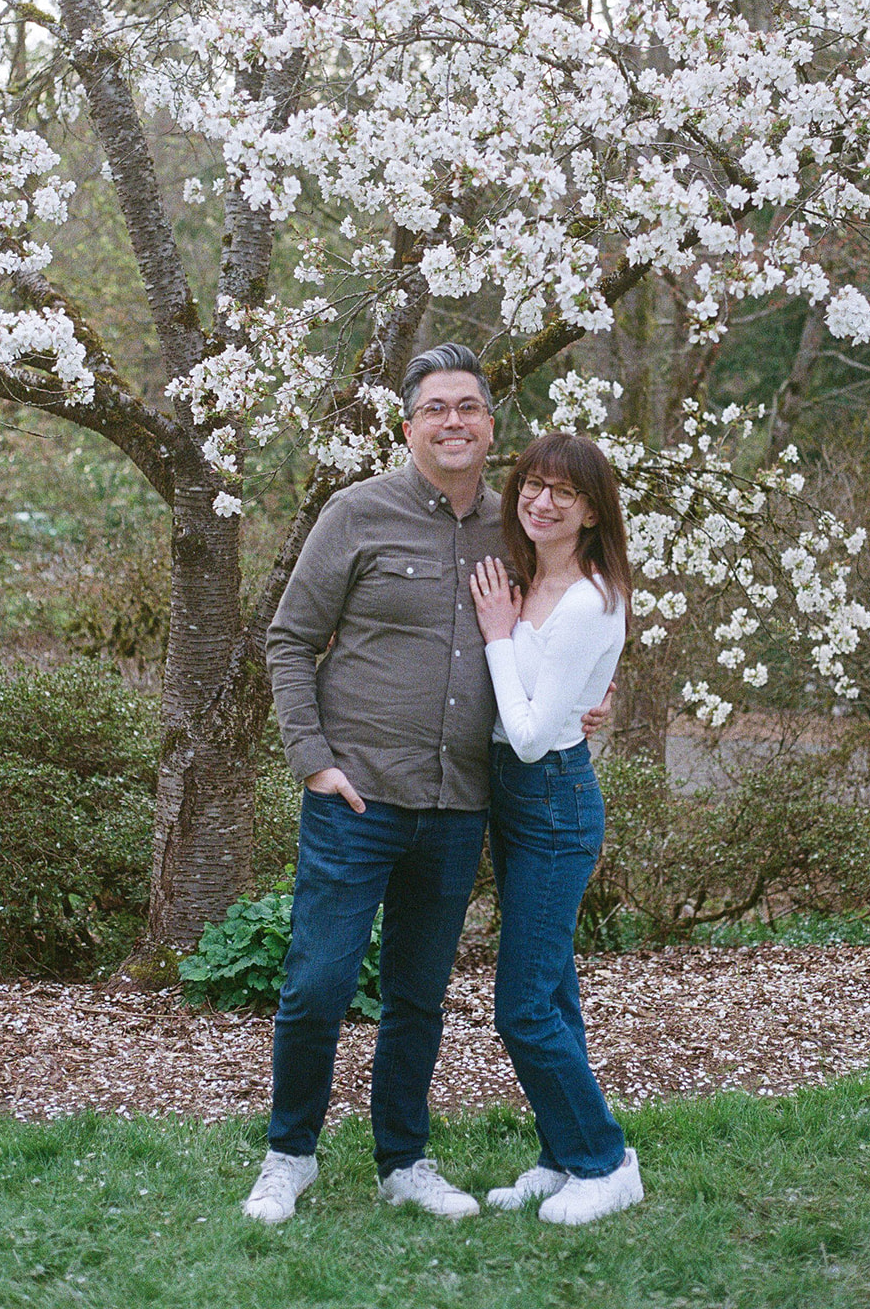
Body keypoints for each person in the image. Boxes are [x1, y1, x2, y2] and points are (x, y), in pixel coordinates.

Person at [243, 345, 608, 1224]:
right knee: (318, 982)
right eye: (436, 407)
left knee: (417, 994)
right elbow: (289, 640)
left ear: (490, 427)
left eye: (470, 408)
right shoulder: (355, 514)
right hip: (356, 796)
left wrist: (591, 698)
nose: (454, 422)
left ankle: (401, 1158)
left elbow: (570, 616)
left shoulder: (517, 527)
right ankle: (288, 1154)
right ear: (408, 426)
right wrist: (313, 762)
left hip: (459, 804)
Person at [469, 432, 644, 1225]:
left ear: (590, 510)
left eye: (561, 495)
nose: (540, 503)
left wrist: (498, 638)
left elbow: (536, 733)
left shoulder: (585, 599)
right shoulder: (522, 578)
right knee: (555, 990)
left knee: (524, 1006)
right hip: (512, 798)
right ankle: (563, 1152)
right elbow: (549, 698)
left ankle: (606, 1164)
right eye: (531, 486)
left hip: (551, 802)